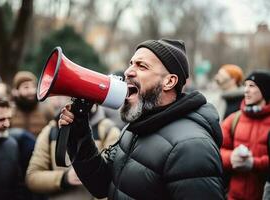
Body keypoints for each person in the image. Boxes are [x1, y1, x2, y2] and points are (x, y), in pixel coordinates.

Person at [59, 39, 225, 199]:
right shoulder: (136, 127)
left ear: (169, 81)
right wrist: (78, 129)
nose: (128, 71)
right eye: (131, 63)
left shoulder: (191, 147)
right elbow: (101, 185)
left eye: (142, 66)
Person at [26, 102, 120, 200]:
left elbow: (110, 182)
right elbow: (32, 178)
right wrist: (64, 178)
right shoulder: (50, 131)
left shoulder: (109, 130)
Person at [220, 70, 270, 200]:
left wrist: (254, 163)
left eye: (252, 86)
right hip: (233, 196)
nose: (246, 90)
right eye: (245, 85)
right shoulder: (233, 119)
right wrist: (231, 157)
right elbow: (215, 150)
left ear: (265, 90)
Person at [11, 71, 54, 137]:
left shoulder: (46, 110)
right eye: (26, 87)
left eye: (33, 87)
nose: (31, 91)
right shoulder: (10, 112)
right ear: (16, 91)